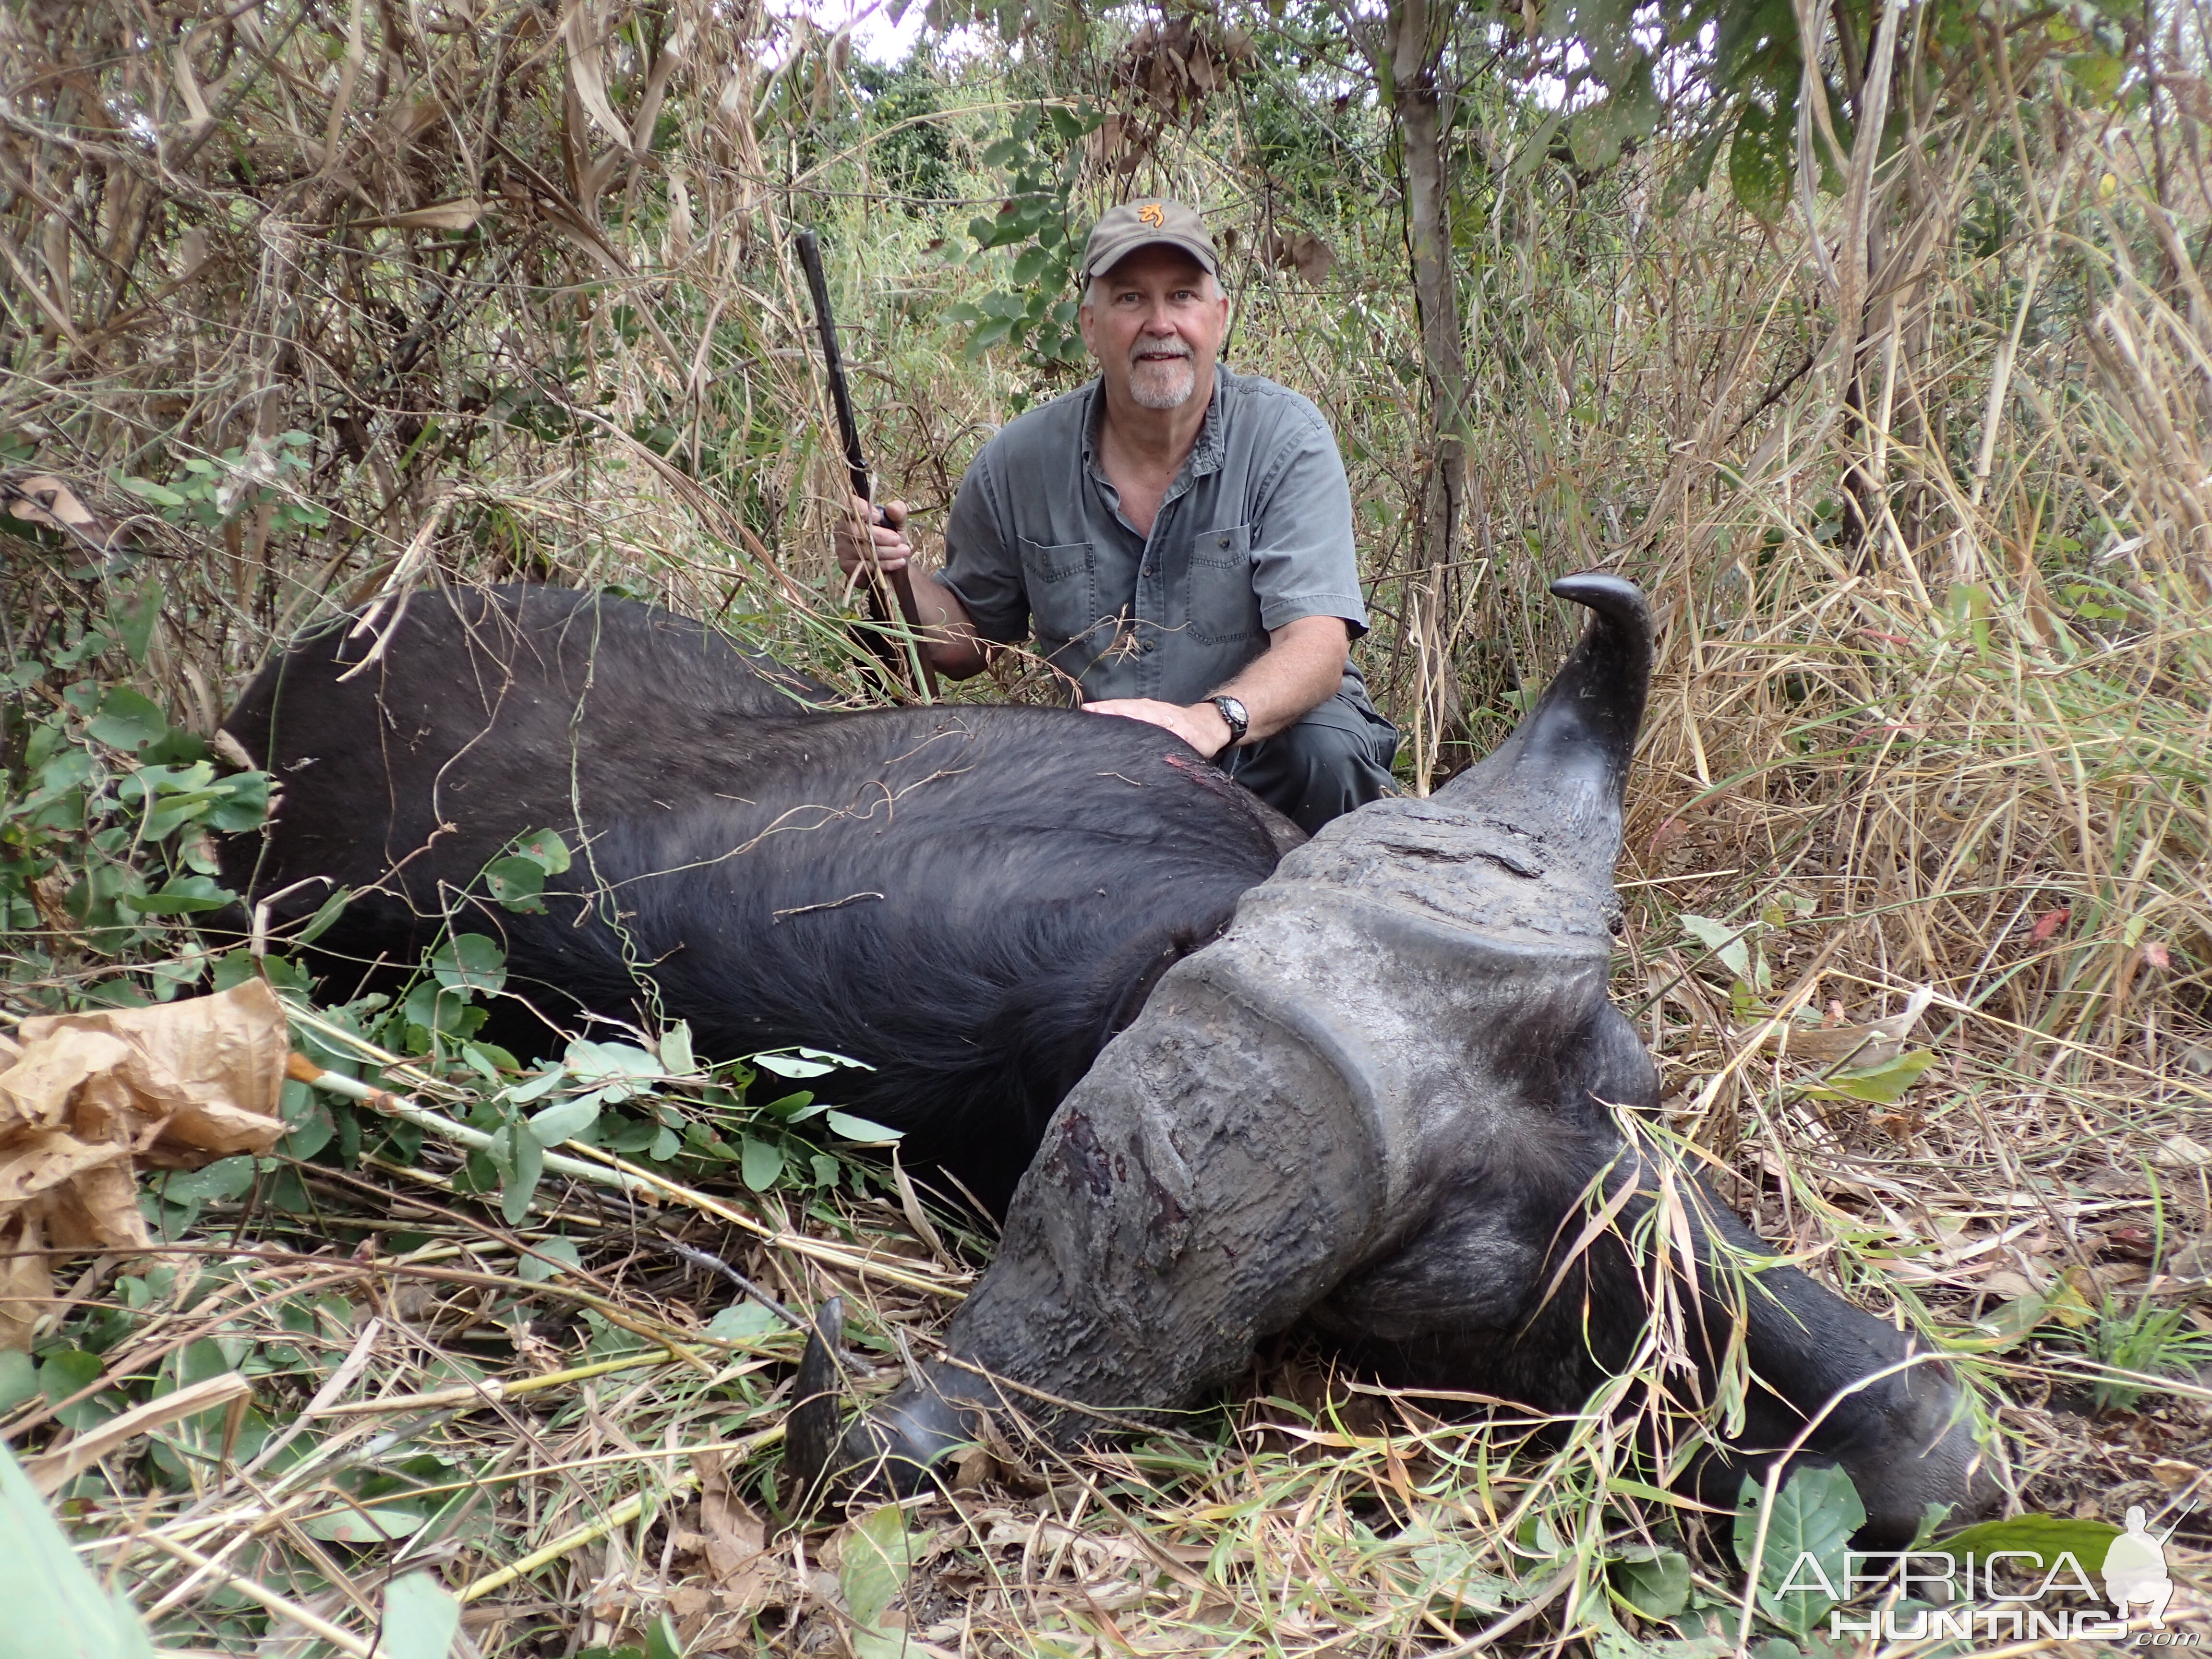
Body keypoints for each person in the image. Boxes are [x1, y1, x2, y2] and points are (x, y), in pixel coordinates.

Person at [834, 197, 1397, 834]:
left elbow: (1318, 647)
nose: (1160, 323)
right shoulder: (1018, 462)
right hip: (1109, 763)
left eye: (1182, 296)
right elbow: (968, 646)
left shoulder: (1285, 438)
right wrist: (891, 573)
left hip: (1255, 742)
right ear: (1090, 324)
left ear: (1219, 318)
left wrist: (1209, 723)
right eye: (1130, 299)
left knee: (1327, 753)